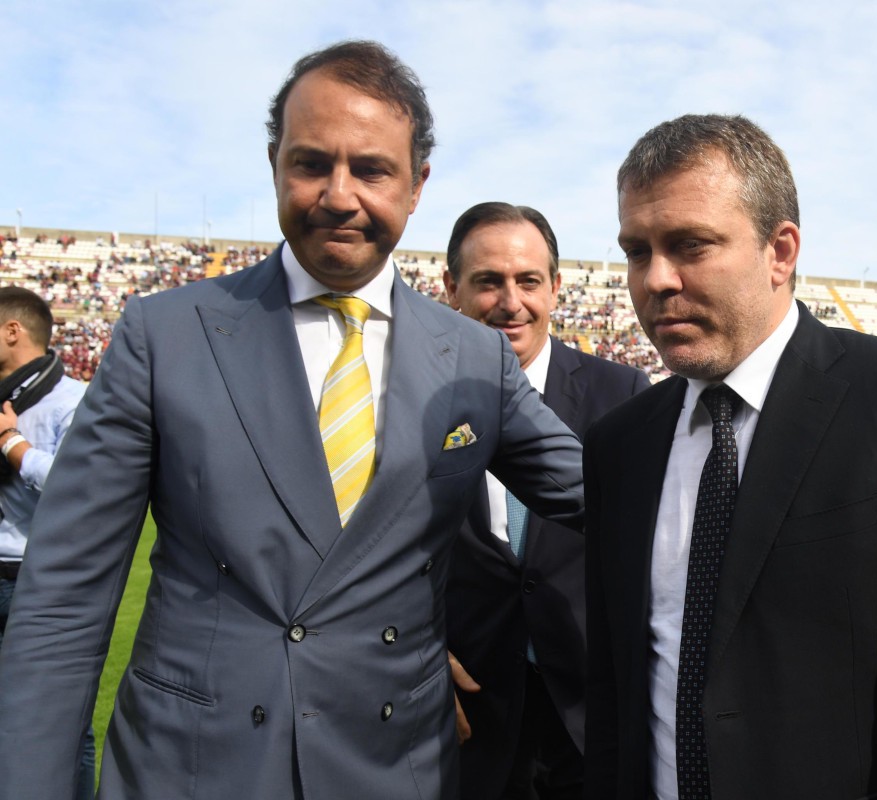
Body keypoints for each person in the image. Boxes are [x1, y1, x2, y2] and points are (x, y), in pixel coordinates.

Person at [0, 40, 583, 799]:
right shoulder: (162, 334)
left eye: (371, 169)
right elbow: (65, 596)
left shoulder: (474, 356)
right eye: (311, 163)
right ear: (275, 163)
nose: (339, 195)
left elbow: (606, 492)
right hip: (196, 769)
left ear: (417, 185)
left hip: (392, 767)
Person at [584, 114, 877, 800]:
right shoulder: (619, 444)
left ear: (780, 251)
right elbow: (617, 696)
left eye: (689, 245)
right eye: (636, 251)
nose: (655, 279)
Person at [442, 202, 649, 799]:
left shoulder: (623, 392)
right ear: (451, 288)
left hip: (589, 713)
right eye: (488, 281)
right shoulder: (413, 399)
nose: (511, 302)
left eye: (529, 281)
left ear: (556, 288)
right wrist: (415, 659)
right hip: (467, 712)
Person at [0, 288, 92, 800]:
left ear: (13, 331)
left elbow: (79, 487)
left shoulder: (74, 399)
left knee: (62, 719)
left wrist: (13, 445)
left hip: (38, 582)